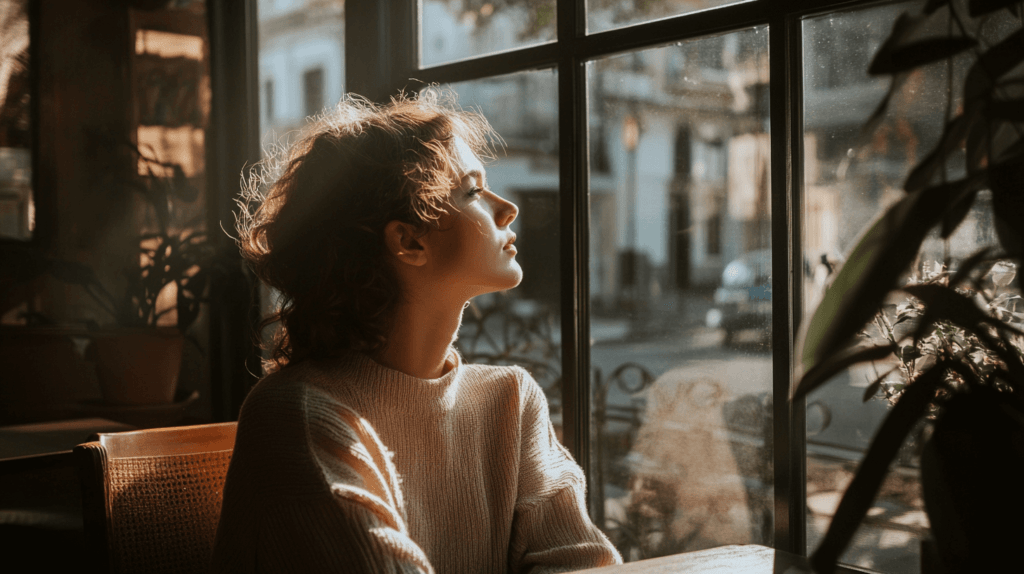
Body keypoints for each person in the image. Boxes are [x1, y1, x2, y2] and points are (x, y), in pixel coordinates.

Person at [212, 91, 622, 574]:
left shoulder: (511, 402)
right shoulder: (297, 417)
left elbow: (584, 565)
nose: (507, 207)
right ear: (408, 240)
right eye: (472, 191)